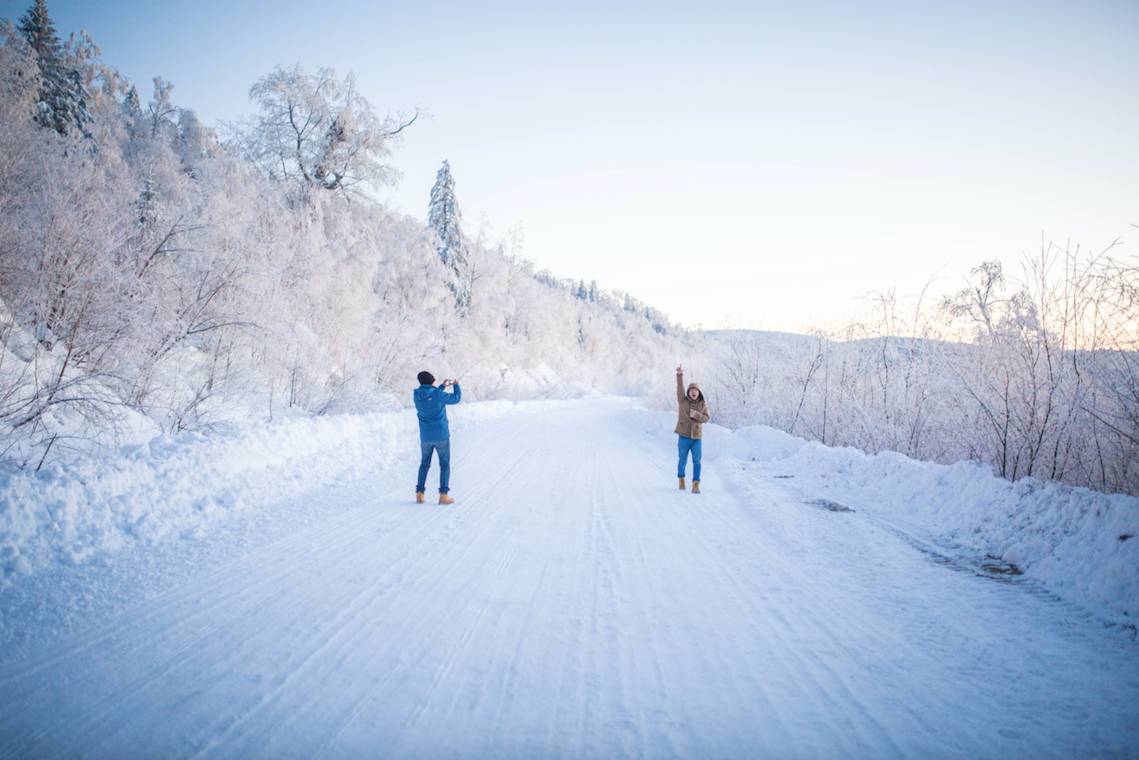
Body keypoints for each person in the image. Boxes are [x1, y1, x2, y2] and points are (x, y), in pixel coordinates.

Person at [413, 370, 462, 505]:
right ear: (431, 381)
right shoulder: (437, 394)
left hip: (425, 437)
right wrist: (456, 385)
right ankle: (443, 496)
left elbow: (431, 397)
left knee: (424, 465)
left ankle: (420, 493)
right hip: (441, 435)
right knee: (444, 465)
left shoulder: (416, 395)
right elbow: (456, 398)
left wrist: (442, 386)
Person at [675, 364, 710, 493]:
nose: (693, 392)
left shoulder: (702, 404)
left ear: (698, 392)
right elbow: (680, 388)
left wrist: (696, 415)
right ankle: (681, 479)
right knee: (682, 460)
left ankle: (696, 483)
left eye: (696, 390)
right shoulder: (682, 401)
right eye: (691, 390)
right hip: (683, 436)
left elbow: (706, 418)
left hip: (696, 438)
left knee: (697, 461)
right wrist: (679, 375)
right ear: (688, 392)